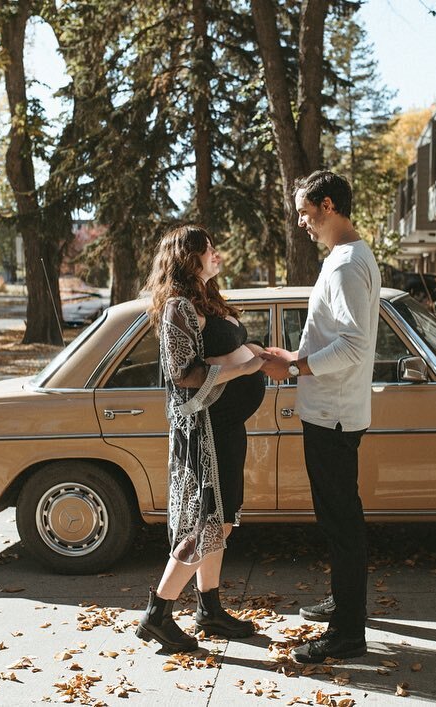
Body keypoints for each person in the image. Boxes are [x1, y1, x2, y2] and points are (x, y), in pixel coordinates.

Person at [260, 170, 380, 663]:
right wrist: (295, 359)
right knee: (338, 520)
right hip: (332, 407)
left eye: (306, 213)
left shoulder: (348, 265)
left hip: (331, 413)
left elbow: (353, 343)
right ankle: (343, 602)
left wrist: (295, 366)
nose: (303, 224)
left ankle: (348, 633)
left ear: (328, 205)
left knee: (341, 522)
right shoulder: (349, 257)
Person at [136, 224, 267, 653]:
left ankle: (209, 608)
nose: (217, 255)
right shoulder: (177, 308)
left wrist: (261, 357)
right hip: (203, 433)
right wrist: (241, 368)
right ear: (186, 258)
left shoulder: (207, 300)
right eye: (208, 250)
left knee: (222, 519)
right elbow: (184, 374)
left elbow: (228, 351)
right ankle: (157, 613)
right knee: (207, 521)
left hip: (227, 428)